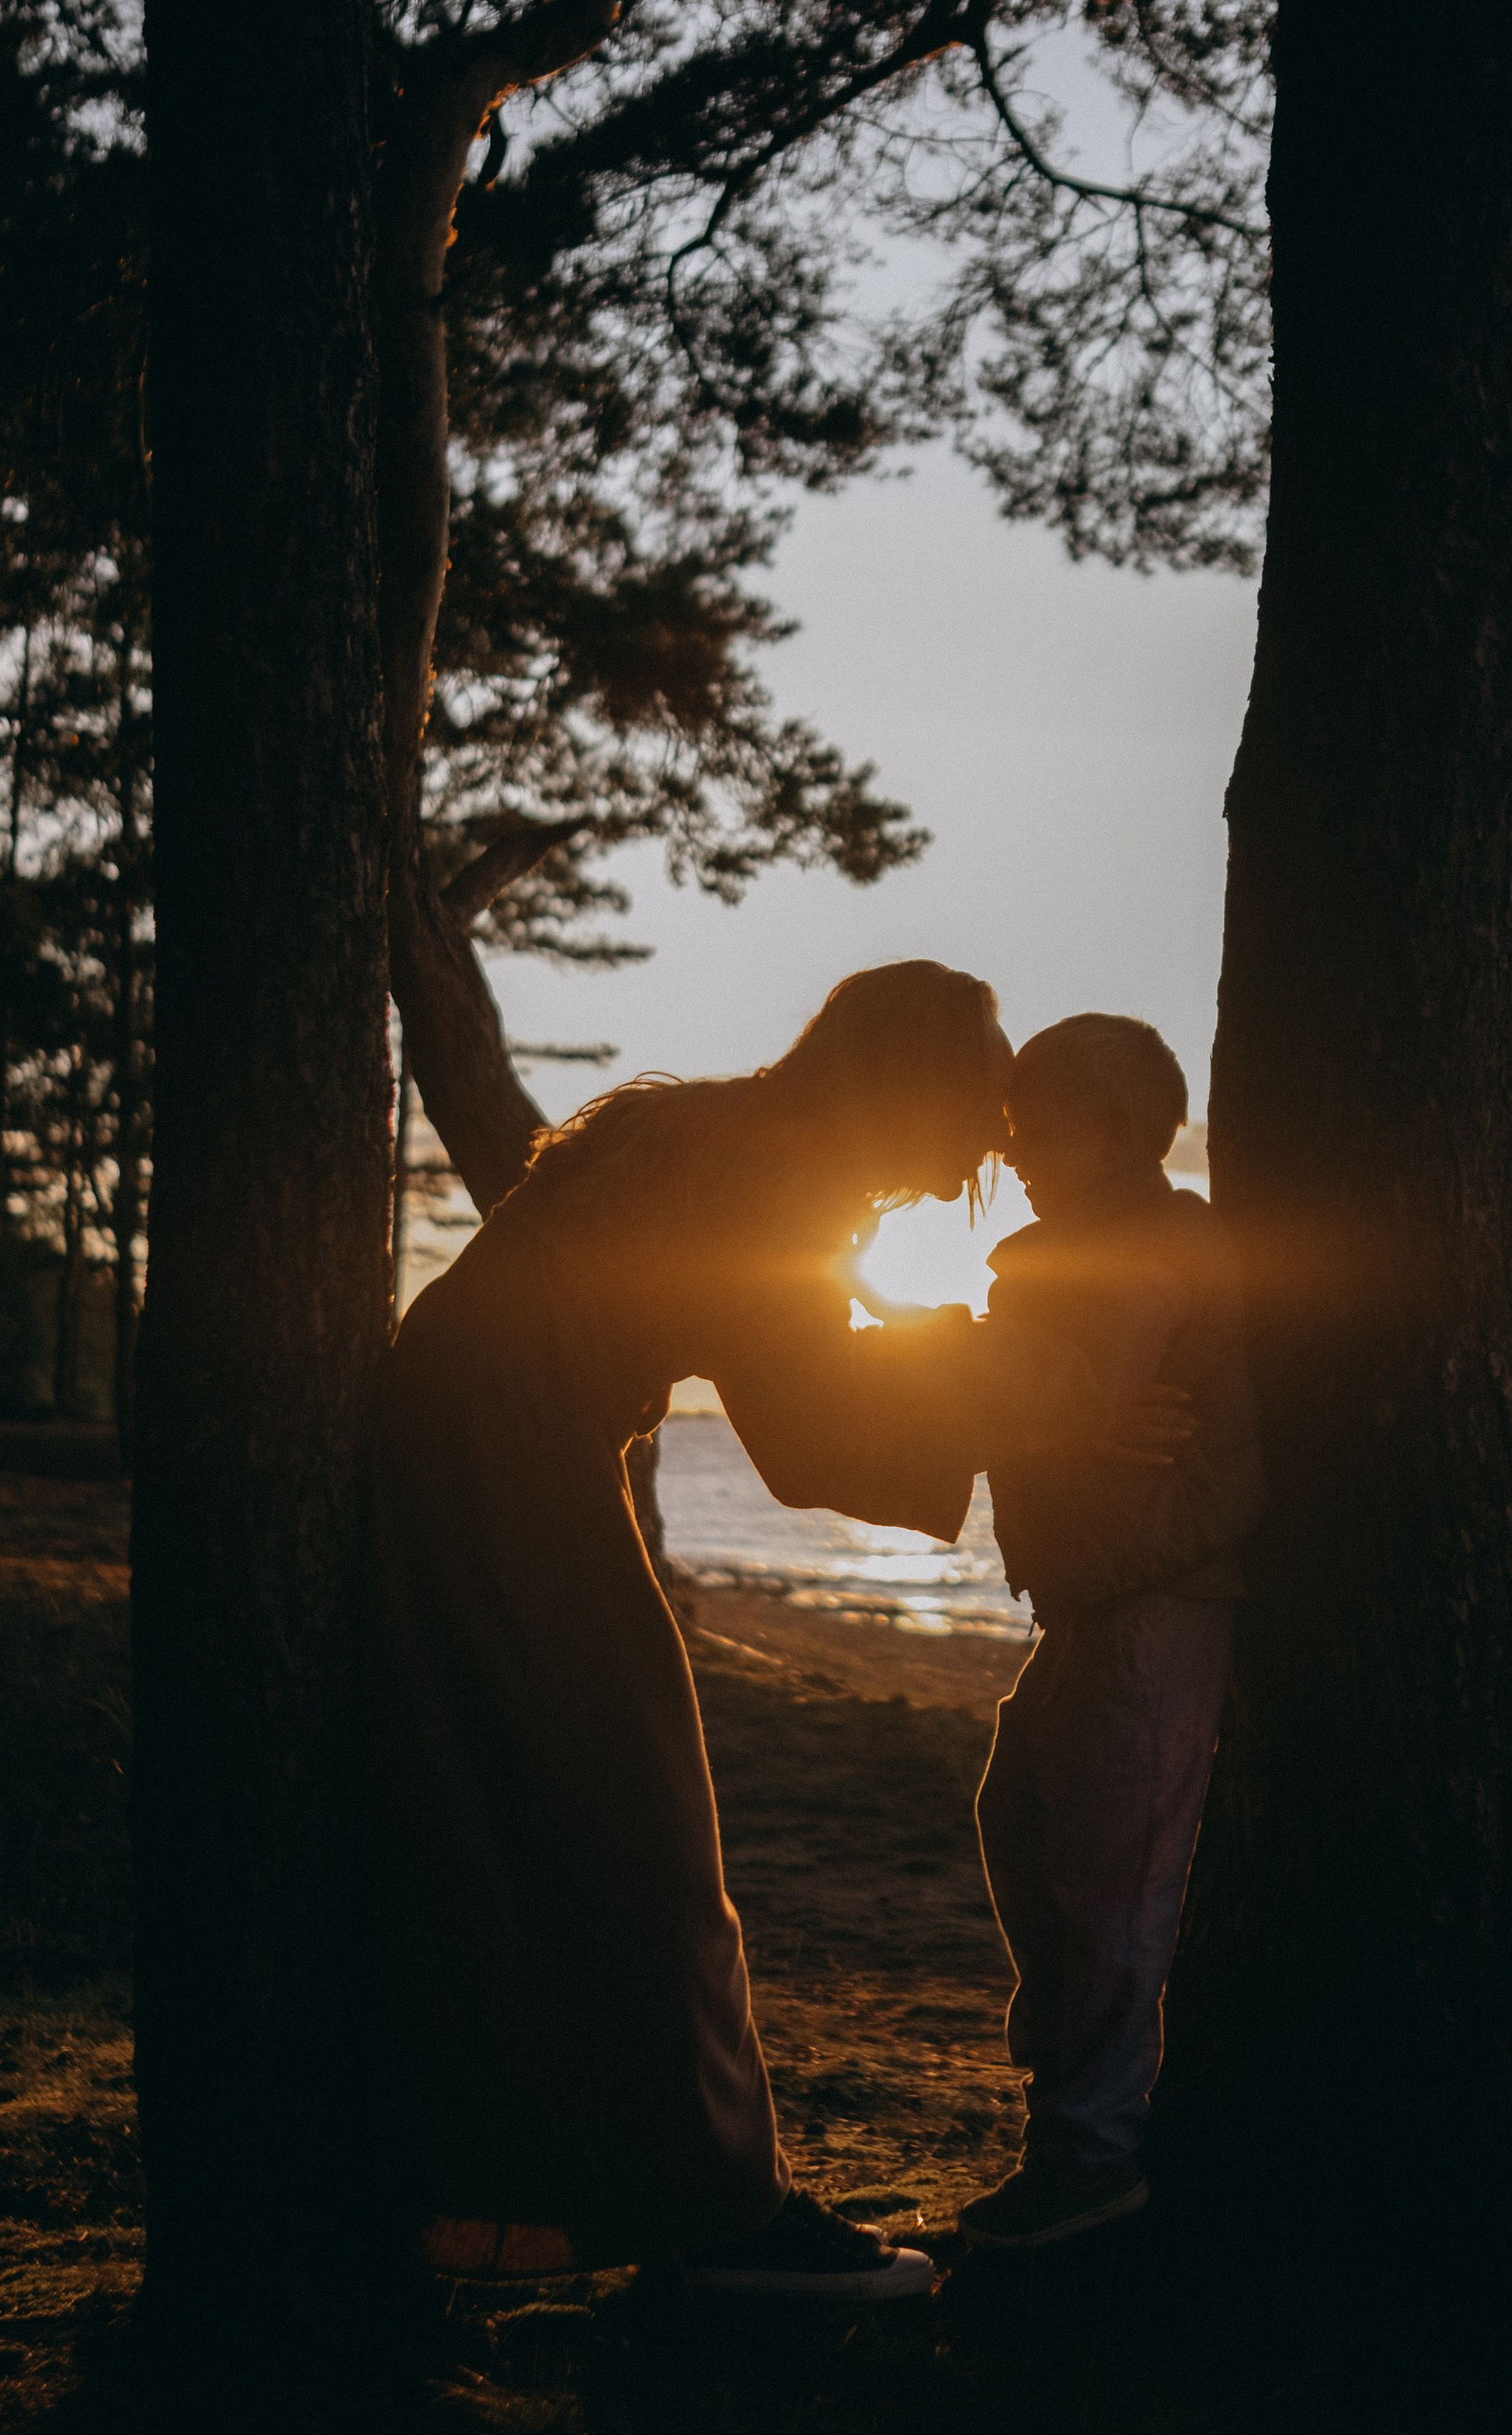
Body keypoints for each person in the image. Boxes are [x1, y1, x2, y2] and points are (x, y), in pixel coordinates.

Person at [367, 962, 1135, 2302]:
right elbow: (809, 1426)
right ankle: (717, 2219)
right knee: (644, 1822)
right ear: (913, 1082)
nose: (993, 1134)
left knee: (518, 1816)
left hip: (472, 1445)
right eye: (982, 1094)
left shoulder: (721, 1132)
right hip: (502, 1461)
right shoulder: (772, 1173)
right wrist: (1037, 1386)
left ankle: (522, 2200)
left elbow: (802, 1362)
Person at [959, 1014, 1267, 2252]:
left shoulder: (1153, 1248)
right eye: (1012, 1123)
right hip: (1096, 1593)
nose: (1016, 1147)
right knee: (1019, 1815)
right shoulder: (1074, 1251)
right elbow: (1022, 1387)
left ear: (1132, 1133)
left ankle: (1089, 2159)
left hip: (1158, 1596)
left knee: (1115, 1883)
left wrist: (1032, 1402)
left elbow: (1063, 1367)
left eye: (1042, 1126)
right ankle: (1068, 2064)